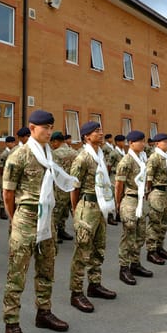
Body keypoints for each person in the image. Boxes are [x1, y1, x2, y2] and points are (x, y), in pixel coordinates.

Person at [2, 110, 74, 333]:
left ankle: (44, 312)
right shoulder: (18, 155)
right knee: (17, 273)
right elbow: (7, 193)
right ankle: (11, 323)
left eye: (51, 127)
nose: (49, 131)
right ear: (32, 128)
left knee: (46, 268)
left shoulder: (48, 154)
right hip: (26, 218)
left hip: (47, 219)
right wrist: (16, 221)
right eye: (45, 127)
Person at [69, 121, 117, 314]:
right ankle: (76, 292)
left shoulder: (100, 154)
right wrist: (76, 211)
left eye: (101, 130)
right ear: (87, 136)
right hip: (87, 207)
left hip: (100, 207)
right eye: (97, 131)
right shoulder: (82, 158)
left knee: (99, 248)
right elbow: (74, 187)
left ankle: (94, 284)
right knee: (82, 251)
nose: (101, 133)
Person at [114, 130, 153, 285]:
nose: (143, 144)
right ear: (131, 143)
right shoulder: (126, 161)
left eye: (143, 141)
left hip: (139, 201)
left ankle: (135, 263)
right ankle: (124, 268)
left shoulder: (141, 159)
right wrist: (118, 205)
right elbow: (118, 185)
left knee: (140, 234)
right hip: (129, 200)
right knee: (128, 235)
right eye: (140, 141)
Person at [144, 133, 167, 266]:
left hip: (166, 192)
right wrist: (149, 193)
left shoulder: (166, 157)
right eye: (164, 142)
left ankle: (159, 247)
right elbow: (149, 177)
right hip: (157, 192)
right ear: (157, 143)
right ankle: (151, 251)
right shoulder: (154, 157)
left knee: (164, 222)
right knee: (154, 223)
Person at [50, 131, 76, 243]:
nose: (51, 145)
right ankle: (62, 230)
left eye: (52, 143)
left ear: (56, 141)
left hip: (60, 186)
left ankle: (54, 233)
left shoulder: (55, 154)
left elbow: (53, 172)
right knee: (69, 209)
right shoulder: (75, 152)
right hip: (73, 186)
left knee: (56, 211)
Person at [0, 136, 16, 220]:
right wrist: (3, 176)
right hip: (6, 176)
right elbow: (0, 166)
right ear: (7, 143)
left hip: (12, 176)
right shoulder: (4, 154)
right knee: (3, 193)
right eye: (11, 142)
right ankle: (2, 210)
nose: (13, 144)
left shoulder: (14, 152)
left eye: (13, 142)